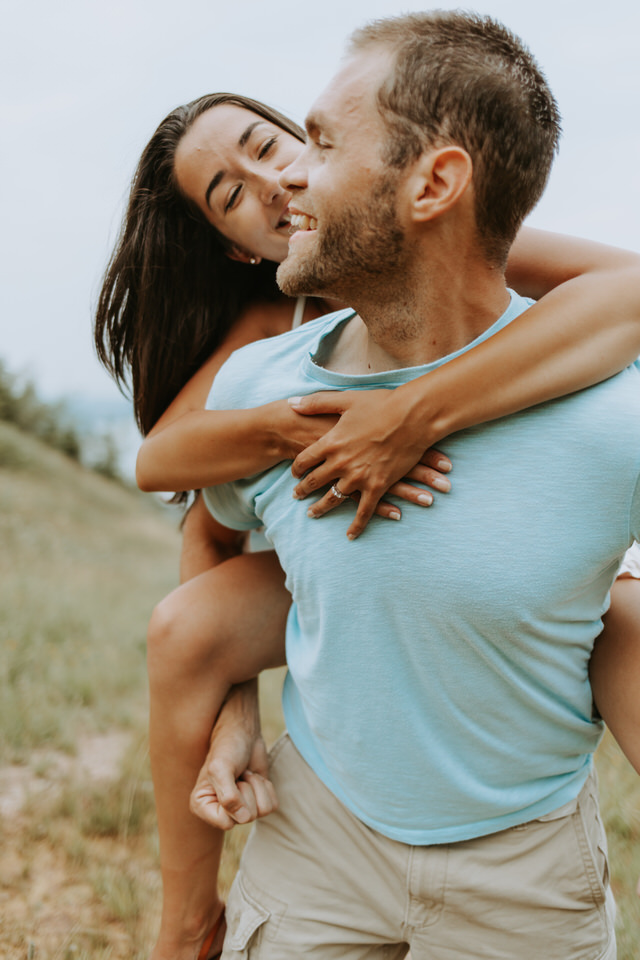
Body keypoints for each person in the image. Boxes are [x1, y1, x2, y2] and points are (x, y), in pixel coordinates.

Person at [95, 94, 640, 960]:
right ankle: (187, 922)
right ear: (238, 247)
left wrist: (413, 414)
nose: (268, 181)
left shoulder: (442, 247)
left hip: (522, 561)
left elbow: (631, 291)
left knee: (626, 619)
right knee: (185, 628)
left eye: (267, 145)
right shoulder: (272, 335)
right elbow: (172, 472)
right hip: (336, 568)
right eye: (230, 195)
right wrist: (294, 428)